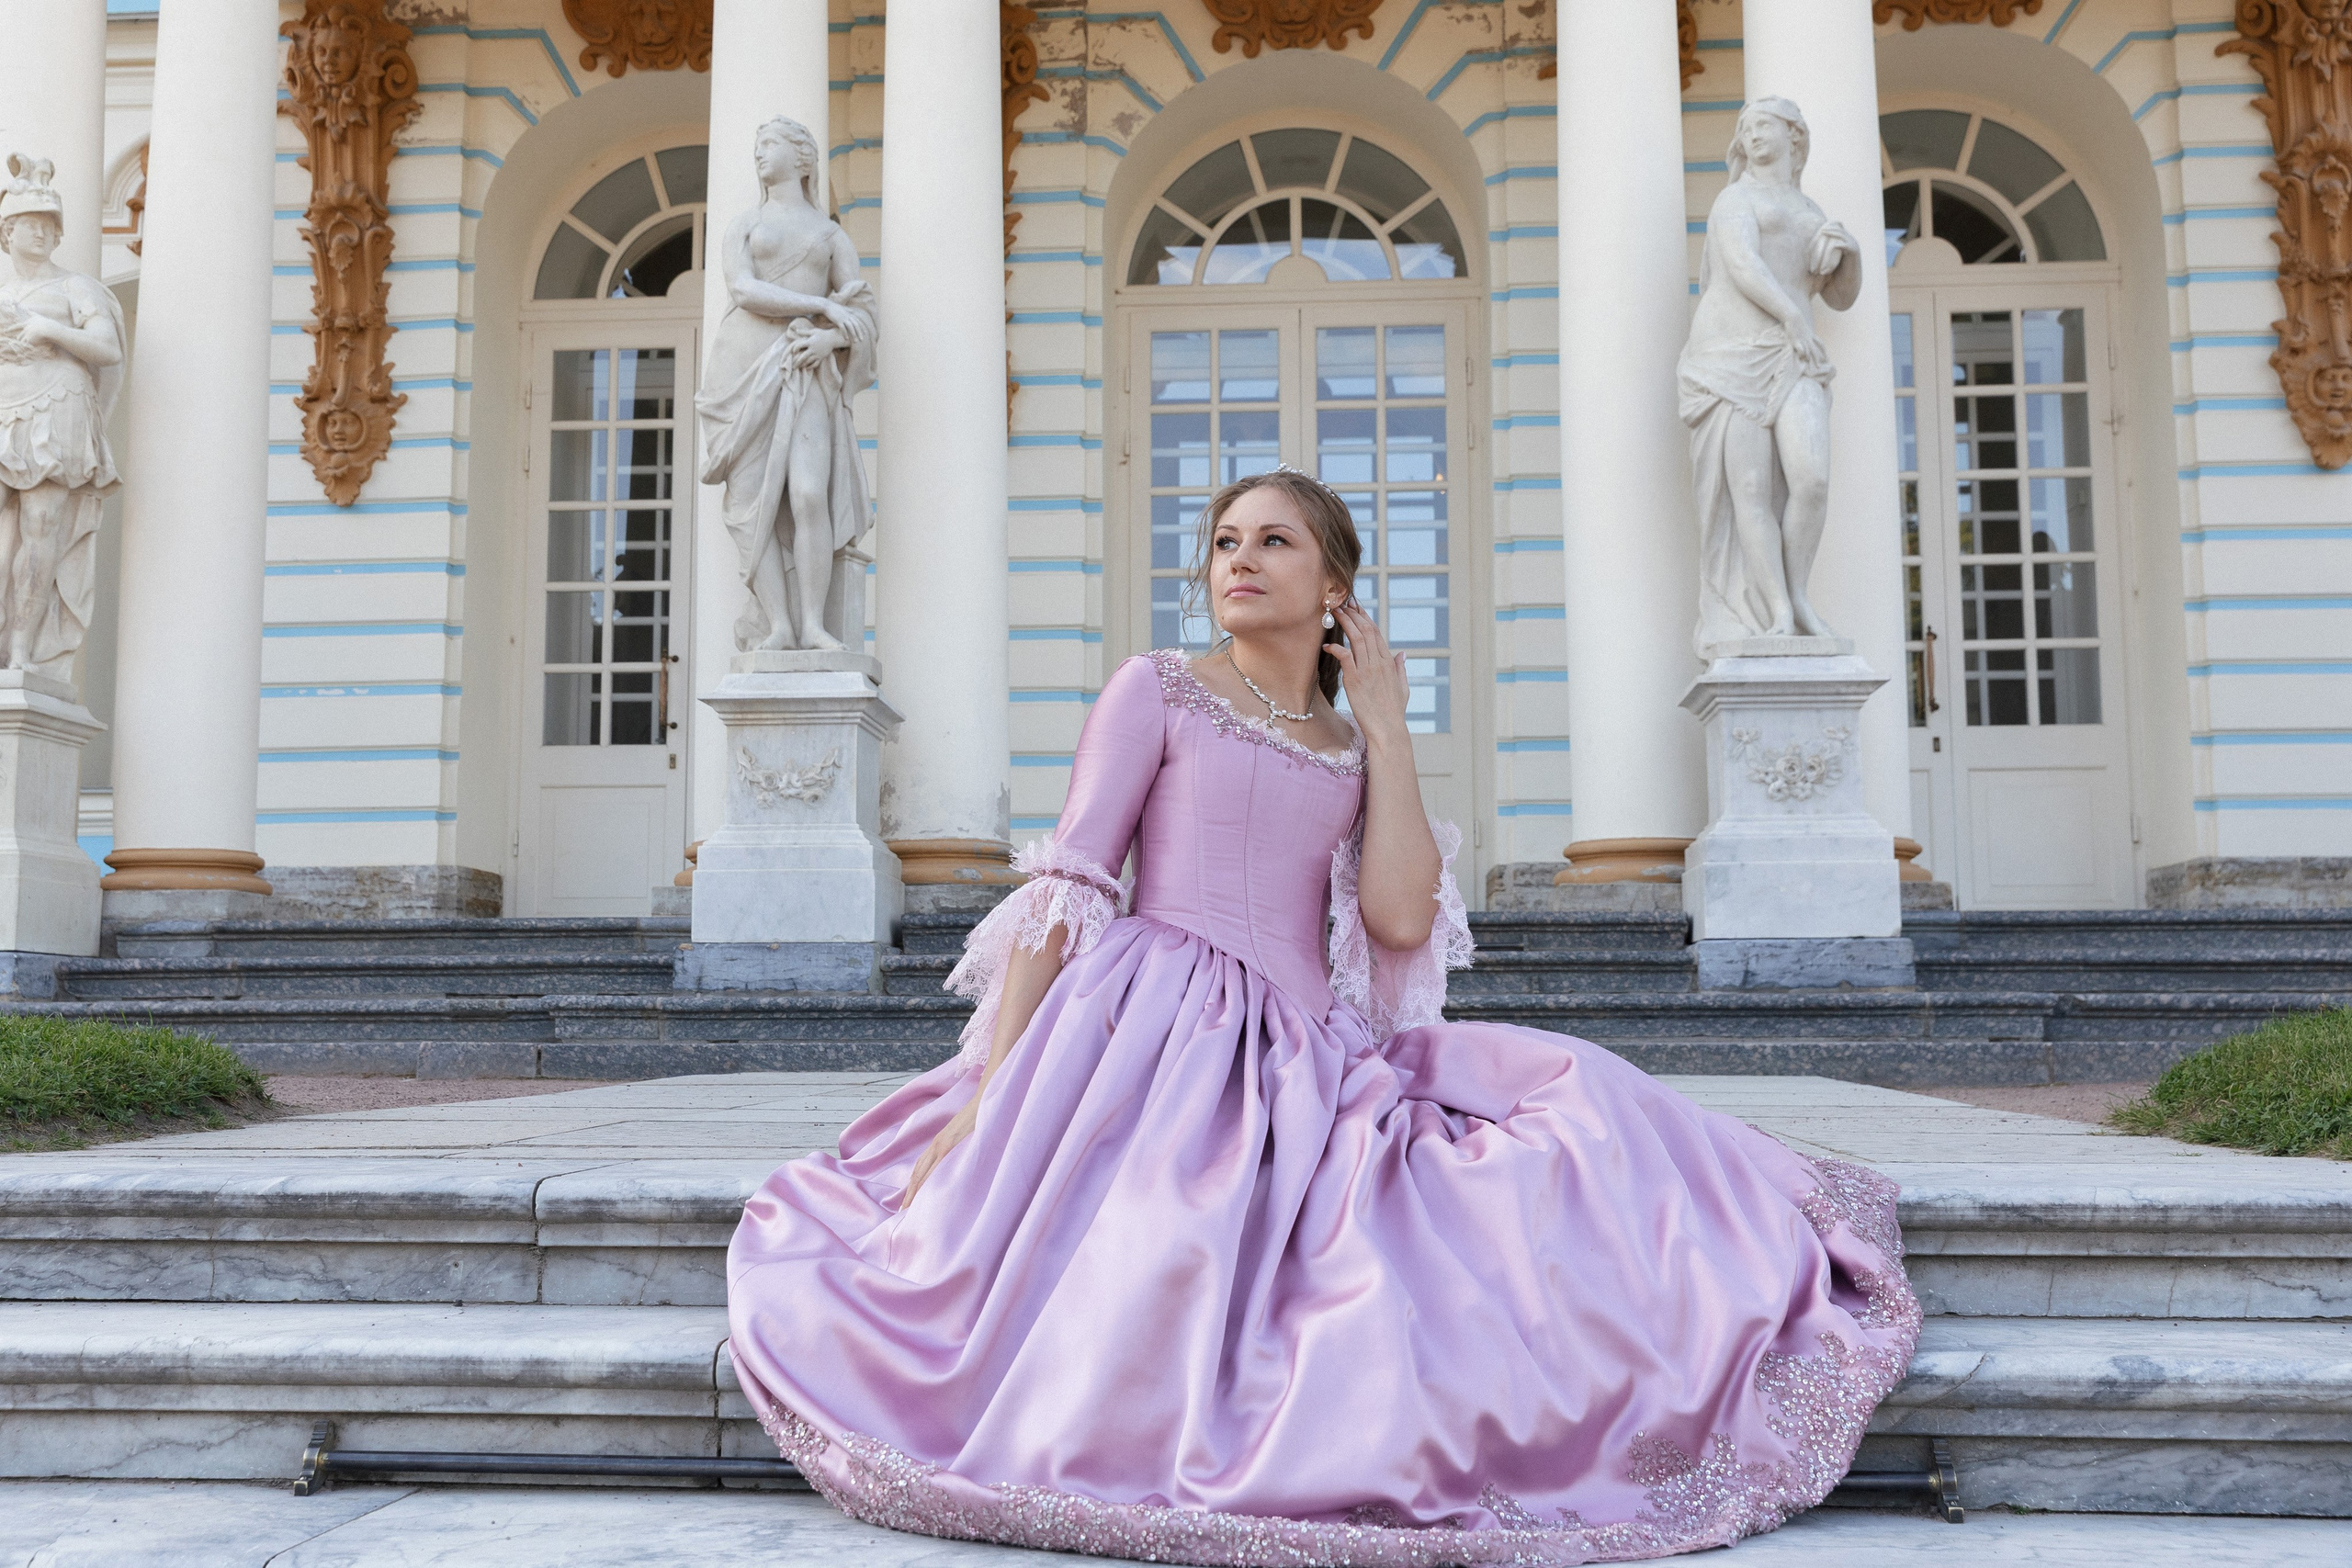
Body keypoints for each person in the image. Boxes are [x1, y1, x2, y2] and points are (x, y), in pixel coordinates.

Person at [727, 467, 1918, 1564]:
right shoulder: (1158, 689)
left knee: (1577, 1105)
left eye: (1273, 540)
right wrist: (991, 1084)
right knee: (1163, 1234)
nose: (1237, 560)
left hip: (1307, 1049)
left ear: (1332, 586)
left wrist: (1389, 731)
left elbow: (1399, 920)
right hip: (1147, 1024)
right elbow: (1072, 886)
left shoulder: (1351, 746)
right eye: (1224, 541)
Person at [1679, 96, 1860, 654]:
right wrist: (1790, 317)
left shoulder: (1812, 211)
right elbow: (1741, 264)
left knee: (1812, 480)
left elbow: (1841, 296)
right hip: (1730, 355)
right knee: (1750, 491)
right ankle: (1778, 614)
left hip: (1794, 355)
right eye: (1746, 128)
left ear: (1794, 135)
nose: (1753, 135)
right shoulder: (1735, 199)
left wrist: (1849, 254)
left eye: (1764, 126)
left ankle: (1799, 596)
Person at [695, 116, 876, 652]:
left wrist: (830, 342)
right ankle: (779, 625)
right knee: (755, 507)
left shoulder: (830, 235)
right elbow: (744, 290)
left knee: (807, 493)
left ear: (802, 159)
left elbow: (862, 312)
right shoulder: (744, 225)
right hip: (743, 368)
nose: (758, 154)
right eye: (755, 146)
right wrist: (820, 306)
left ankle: (815, 624)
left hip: (805, 368)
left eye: (768, 144)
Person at [0, 154, 122, 678]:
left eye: (51, 227)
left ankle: (23, 648)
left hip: (59, 407)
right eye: (32, 225)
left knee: (42, 523)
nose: (43, 234)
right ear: (8, 232)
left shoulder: (76, 287)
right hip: (5, 405)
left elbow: (106, 348)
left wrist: (49, 332)